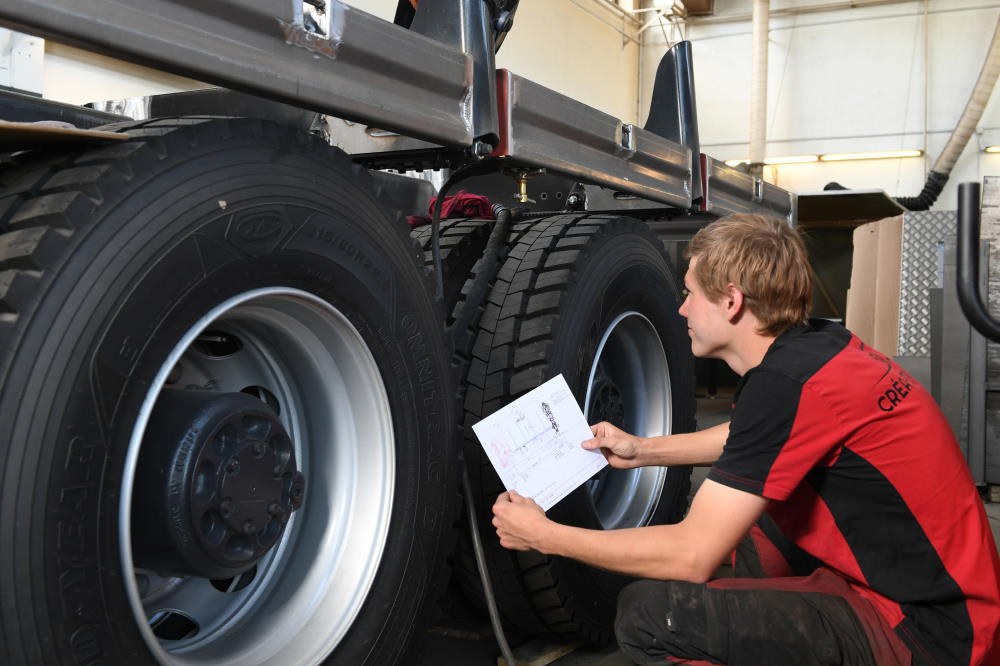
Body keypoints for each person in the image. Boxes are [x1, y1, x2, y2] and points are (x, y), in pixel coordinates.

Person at [492, 214, 1000, 665]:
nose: (683, 310)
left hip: (929, 635)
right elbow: (749, 439)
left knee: (649, 613)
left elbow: (691, 556)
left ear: (732, 301)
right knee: (759, 521)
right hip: (949, 596)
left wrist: (545, 536)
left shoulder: (785, 383)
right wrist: (641, 449)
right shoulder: (818, 347)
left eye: (690, 293)